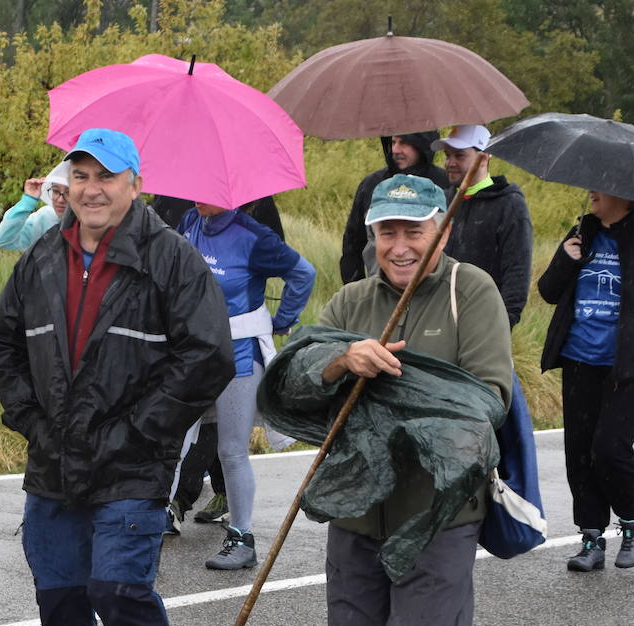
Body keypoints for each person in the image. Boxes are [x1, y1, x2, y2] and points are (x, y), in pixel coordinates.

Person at [269, 175, 512, 626]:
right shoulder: (351, 299)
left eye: (413, 231)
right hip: (356, 512)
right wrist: (344, 360)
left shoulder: (473, 294)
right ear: (372, 234)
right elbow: (296, 375)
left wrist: (396, 383)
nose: (399, 246)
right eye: (387, 232)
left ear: (443, 229)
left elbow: (488, 400)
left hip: (437, 513)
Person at [0, 129, 234, 626]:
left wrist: (140, 430)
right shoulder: (42, 255)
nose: (92, 189)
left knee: (118, 590)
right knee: (61, 604)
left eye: (107, 176)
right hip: (53, 463)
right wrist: (30, 418)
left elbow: (207, 356)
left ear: (134, 183)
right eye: (82, 175)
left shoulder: (172, 259)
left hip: (133, 463)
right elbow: (1, 340)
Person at [537, 192, 634, 571]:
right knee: (579, 452)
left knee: (609, 448)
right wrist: (565, 258)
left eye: (600, 187)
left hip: (632, 367)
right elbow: (548, 292)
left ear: (624, 195)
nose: (591, 192)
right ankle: (591, 540)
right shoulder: (582, 234)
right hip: (579, 360)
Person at [177, 201, 315, 569]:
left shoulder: (255, 237)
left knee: (231, 451)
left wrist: (283, 319)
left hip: (238, 355)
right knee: (170, 437)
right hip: (194, 353)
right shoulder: (190, 222)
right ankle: (155, 515)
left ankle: (242, 538)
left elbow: (304, 273)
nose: (196, 194)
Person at [433, 125, 534, 327]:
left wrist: (502, 326)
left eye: (459, 156)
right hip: (437, 319)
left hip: (483, 321)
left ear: (484, 157)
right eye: (447, 155)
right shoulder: (442, 201)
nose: (450, 163)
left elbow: (517, 272)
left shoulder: (509, 204)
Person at [339, 133, 449, 283]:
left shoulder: (445, 184)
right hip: (381, 292)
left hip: (437, 292)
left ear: (421, 145)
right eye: (393, 142)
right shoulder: (371, 185)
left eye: (403, 143)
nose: (396, 150)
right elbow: (352, 245)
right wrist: (355, 290)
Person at [0, 162, 69, 250]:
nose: (60, 200)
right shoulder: (46, 218)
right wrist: (28, 201)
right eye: (55, 191)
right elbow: (4, 240)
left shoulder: (87, 223)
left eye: (68, 192)